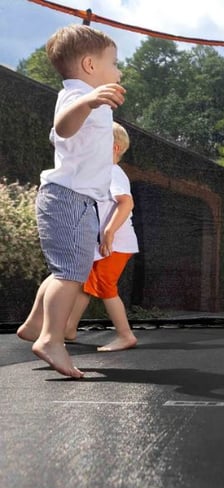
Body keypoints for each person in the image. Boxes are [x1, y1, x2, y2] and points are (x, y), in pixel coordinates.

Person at [16, 24, 125, 377]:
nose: (119, 71)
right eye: (115, 63)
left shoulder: (83, 98)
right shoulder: (77, 96)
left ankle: (35, 324)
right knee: (70, 275)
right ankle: (50, 339)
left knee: (65, 270)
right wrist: (89, 101)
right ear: (91, 65)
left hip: (76, 201)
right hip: (69, 199)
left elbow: (58, 136)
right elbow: (62, 127)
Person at [64, 122, 138, 352]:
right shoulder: (104, 172)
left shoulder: (112, 172)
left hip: (116, 244)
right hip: (109, 243)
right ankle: (68, 328)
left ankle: (126, 335)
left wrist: (109, 232)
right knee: (87, 284)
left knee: (105, 286)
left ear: (114, 148)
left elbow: (126, 202)